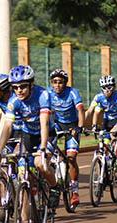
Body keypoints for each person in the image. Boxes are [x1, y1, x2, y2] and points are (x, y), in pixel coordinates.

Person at [0, 65, 60, 213]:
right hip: (28, 135)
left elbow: (44, 122)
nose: (19, 90)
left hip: (46, 134)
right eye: (15, 87)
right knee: (22, 174)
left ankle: (55, 187)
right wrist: (0, 149)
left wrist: (43, 148)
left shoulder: (42, 95)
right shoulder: (14, 101)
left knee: (40, 163)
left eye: (23, 86)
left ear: (31, 84)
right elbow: (7, 126)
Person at [47, 68, 84, 209]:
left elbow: (80, 110)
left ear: (65, 83)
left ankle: (74, 190)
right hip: (56, 125)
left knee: (71, 158)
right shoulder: (48, 94)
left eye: (60, 82)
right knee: (46, 155)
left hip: (71, 126)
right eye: (54, 82)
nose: (57, 85)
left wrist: (79, 127)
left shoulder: (73, 93)